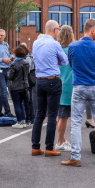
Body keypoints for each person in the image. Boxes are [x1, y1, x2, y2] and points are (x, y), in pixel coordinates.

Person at [62, 18, 95, 166]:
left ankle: (75, 156)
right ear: (93, 31)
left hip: (79, 86)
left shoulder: (73, 46)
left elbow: (71, 64)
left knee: (75, 123)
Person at [31, 20, 68, 157]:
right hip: (52, 80)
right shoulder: (55, 44)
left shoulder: (36, 43)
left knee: (40, 114)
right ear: (55, 30)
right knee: (52, 115)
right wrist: (56, 60)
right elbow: (64, 61)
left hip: (39, 80)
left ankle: (35, 146)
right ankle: (49, 147)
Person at [55, 24, 75, 151]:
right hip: (68, 85)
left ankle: (61, 139)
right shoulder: (72, 50)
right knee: (64, 116)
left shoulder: (57, 50)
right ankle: (59, 142)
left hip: (57, 83)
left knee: (59, 115)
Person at [7, 45, 31, 126]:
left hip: (16, 87)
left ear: (16, 54)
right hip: (24, 86)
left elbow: (9, 76)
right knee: (21, 104)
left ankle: (19, 121)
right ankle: (23, 121)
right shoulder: (26, 63)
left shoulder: (14, 64)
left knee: (17, 104)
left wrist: (9, 70)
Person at [0, 29, 13, 118]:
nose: (0, 37)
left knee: (1, 92)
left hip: (7, 69)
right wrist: (2, 59)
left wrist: (10, 59)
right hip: (0, 70)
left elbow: (8, 55)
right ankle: (8, 111)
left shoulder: (6, 44)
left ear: (5, 36)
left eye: (2, 35)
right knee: (4, 92)